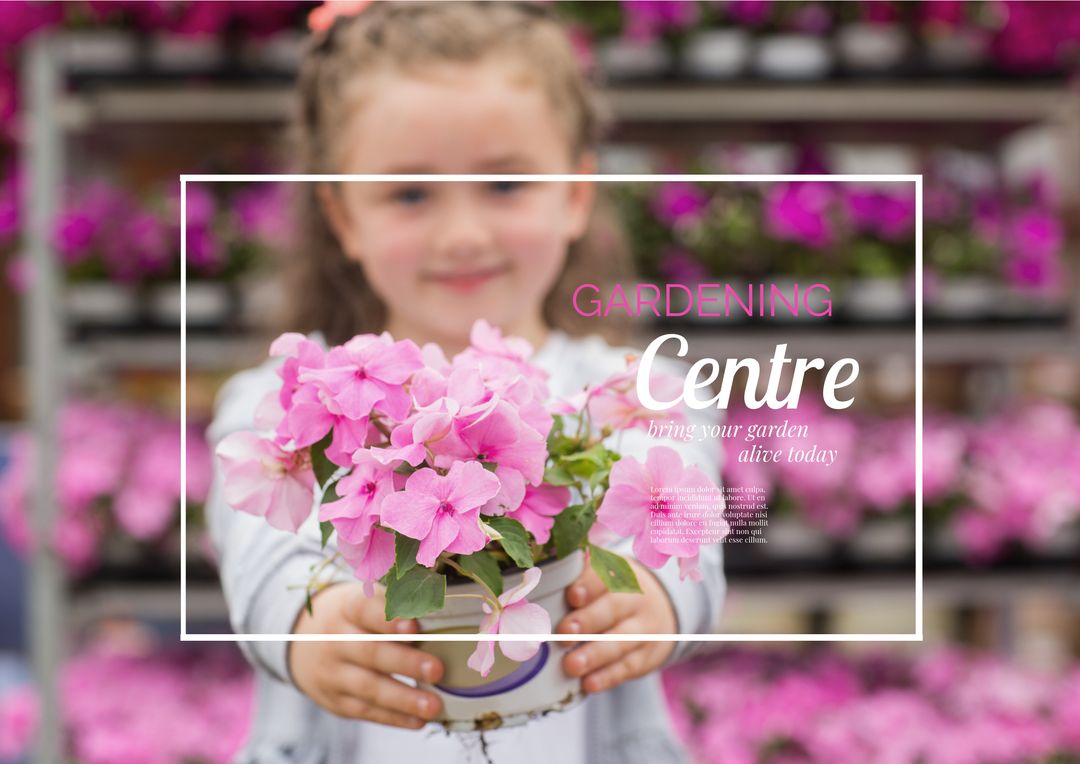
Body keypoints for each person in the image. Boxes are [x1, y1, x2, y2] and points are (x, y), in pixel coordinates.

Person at [205, 3, 725, 762]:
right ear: (341, 215)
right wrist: (305, 627)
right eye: (410, 194)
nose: (463, 235)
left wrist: (659, 603)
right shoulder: (287, 400)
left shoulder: (638, 391)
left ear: (576, 194)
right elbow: (258, 550)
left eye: (506, 184)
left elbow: (695, 540)